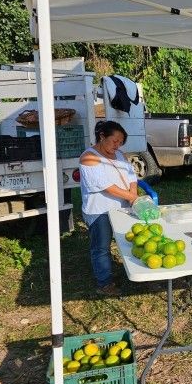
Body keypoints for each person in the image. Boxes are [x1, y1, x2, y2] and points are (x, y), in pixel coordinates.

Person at [79, 120, 139, 296]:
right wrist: (134, 198)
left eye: (120, 142)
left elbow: (131, 177)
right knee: (101, 247)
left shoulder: (120, 155)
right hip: (100, 211)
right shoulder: (88, 158)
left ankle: (130, 272)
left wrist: (132, 196)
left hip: (122, 207)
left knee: (127, 241)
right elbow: (106, 186)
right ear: (102, 136)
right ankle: (104, 283)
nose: (117, 145)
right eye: (114, 141)